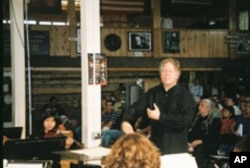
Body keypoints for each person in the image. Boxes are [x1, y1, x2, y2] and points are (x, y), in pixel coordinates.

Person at [121, 58, 196, 154]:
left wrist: (160, 117)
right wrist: (126, 120)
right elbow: (136, 108)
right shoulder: (152, 93)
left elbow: (186, 120)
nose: (167, 74)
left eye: (170, 71)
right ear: (160, 73)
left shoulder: (185, 96)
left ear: (177, 74)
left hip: (176, 150)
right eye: (164, 71)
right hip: (155, 149)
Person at [188, 99, 222, 168]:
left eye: (202, 105)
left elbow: (213, 136)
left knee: (199, 149)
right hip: (195, 143)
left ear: (208, 108)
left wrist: (200, 141)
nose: (199, 107)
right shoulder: (197, 119)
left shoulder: (215, 120)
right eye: (199, 105)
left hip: (208, 144)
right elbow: (193, 133)